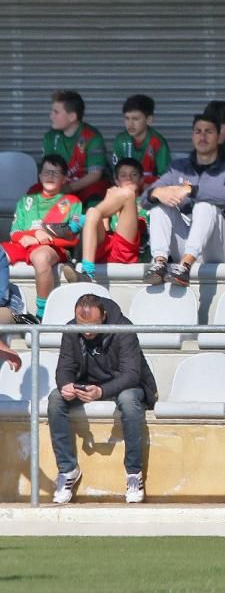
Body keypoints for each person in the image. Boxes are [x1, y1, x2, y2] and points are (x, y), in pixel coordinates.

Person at [48, 294, 158, 505]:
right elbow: (64, 367)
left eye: (93, 325)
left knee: (128, 401)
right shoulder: (71, 330)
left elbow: (132, 374)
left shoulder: (123, 328)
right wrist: (66, 384)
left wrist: (101, 391)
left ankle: (134, 473)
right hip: (88, 385)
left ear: (104, 316)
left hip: (125, 385)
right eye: (81, 325)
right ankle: (68, 470)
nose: (87, 331)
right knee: (56, 398)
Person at [141, 113, 225, 288]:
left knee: (205, 205)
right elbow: (144, 199)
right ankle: (159, 263)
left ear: (219, 137)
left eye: (209, 131)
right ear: (192, 136)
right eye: (198, 131)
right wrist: (158, 192)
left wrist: (191, 190)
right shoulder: (178, 168)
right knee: (159, 206)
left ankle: (185, 267)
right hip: (188, 241)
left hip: (221, 247)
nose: (203, 136)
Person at [1, 155, 82, 321]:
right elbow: (15, 233)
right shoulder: (27, 200)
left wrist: (43, 239)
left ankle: (41, 314)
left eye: (56, 173)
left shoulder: (72, 202)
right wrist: (34, 235)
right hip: (23, 245)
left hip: (53, 247)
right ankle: (2, 301)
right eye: (46, 172)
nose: (50, 177)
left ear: (65, 178)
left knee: (41, 257)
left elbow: (73, 238)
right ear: (39, 176)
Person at [62, 158, 150, 283]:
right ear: (116, 180)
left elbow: (141, 232)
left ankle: (80, 222)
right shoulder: (108, 202)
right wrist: (107, 206)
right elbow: (106, 232)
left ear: (141, 180)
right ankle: (87, 273)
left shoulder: (147, 203)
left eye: (134, 174)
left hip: (126, 249)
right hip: (106, 248)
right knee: (92, 212)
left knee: (128, 194)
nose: (129, 178)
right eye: (123, 175)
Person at [41, 90, 109, 206]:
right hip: (59, 184)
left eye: (56, 112)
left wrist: (69, 188)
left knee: (96, 197)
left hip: (86, 186)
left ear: (72, 116)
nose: (51, 116)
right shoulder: (50, 137)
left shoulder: (92, 137)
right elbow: (47, 170)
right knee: (34, 193)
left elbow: (95, 175)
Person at [111, 94, 172, 187]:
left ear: (149, 120)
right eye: (127, 118)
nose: (130, 124)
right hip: (125, 190)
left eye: (135, 119)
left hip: (150, 191)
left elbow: (165, 177)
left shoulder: (158, 143)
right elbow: (116, 175)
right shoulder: (120, 140)